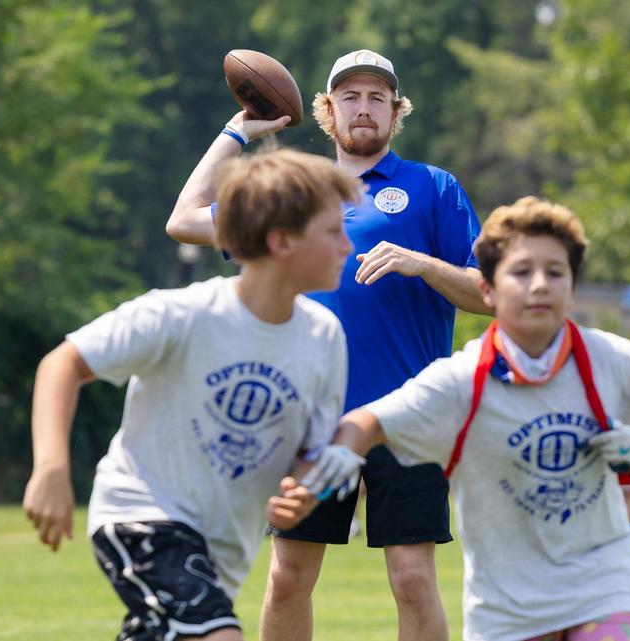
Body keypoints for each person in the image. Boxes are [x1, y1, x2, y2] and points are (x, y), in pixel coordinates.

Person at [166, 49, 489, 641]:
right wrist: (238, 130)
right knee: (288, 576)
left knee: (413, 577)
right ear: (327, 112)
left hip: (408, 416)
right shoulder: (298, 194)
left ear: (396, 112)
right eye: (350, 97)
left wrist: (422, 263)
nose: (363, 108)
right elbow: (185, 220)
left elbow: (489, 294)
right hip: (308, 416)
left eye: (376, 98)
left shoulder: (435, 188)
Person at [293, 196, 630, 641]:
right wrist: (335, 459)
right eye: (522, 273)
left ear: (572, 285)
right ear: (487, 289)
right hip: (506, 607)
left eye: (556, 272)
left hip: (604, 584)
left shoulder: (607, 356)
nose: (540, 285)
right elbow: (369, 422)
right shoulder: (460, 380)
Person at [22, 150, 363, 641]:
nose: (347, 246)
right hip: (139, 514)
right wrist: (51, 468)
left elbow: (310, 452)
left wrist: (303, 490)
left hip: (220, 551)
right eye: (333, 231)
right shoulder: (183, 316)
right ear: (281, 241)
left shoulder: (324, 337)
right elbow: (63, 363)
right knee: (218, 635)